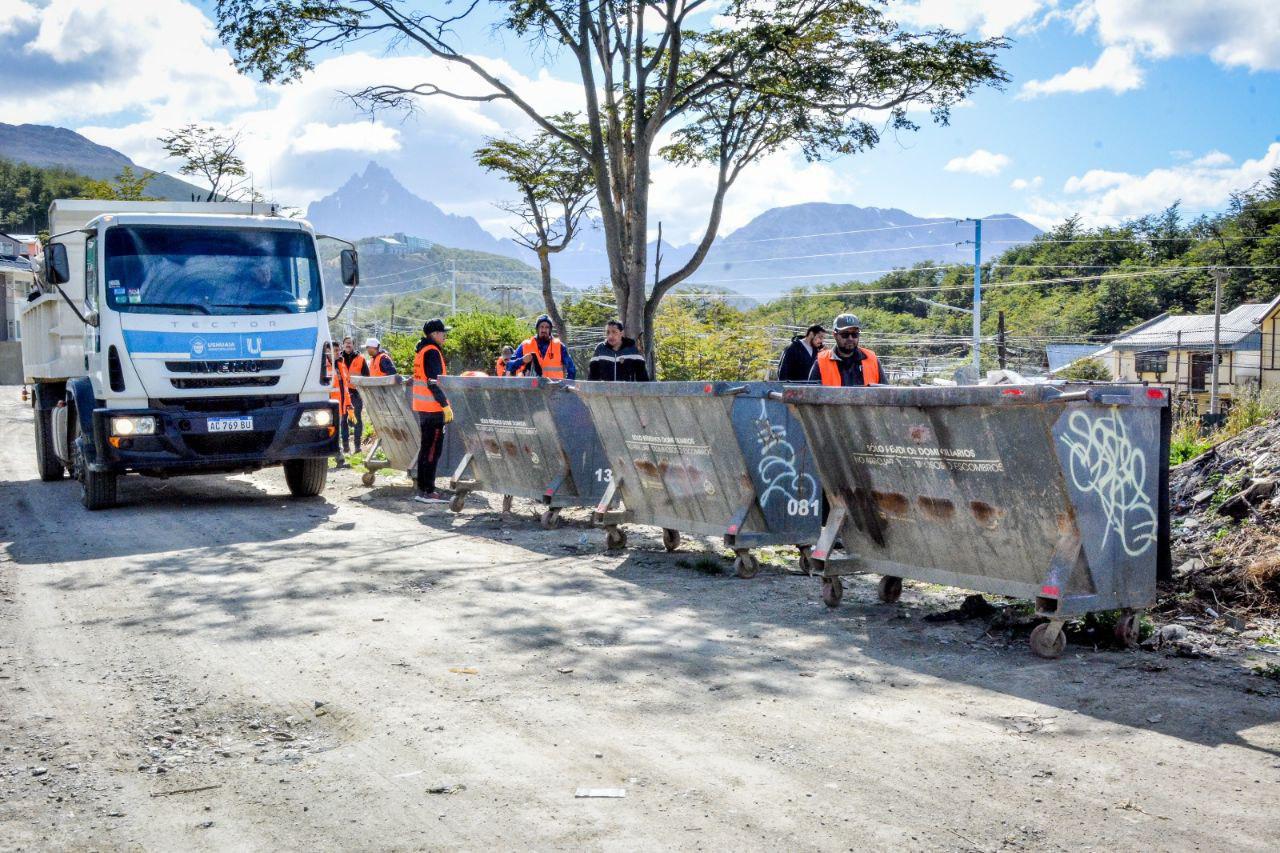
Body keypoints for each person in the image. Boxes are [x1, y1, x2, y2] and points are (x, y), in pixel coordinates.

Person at [412, 319, 454, 503]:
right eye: (442, 332)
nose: (445, 335)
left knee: (426, 448)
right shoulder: (432, 352)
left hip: (423, 408)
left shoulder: (422, 350)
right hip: (433, 408)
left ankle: (423, 488)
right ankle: (428, 491)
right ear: (434, 334)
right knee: (432, 451)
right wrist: (444, 404)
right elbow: (432, 382)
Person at [808, 314, 881, 386]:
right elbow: (811, 395)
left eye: (854, 334)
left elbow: (885, 393)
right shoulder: (821, 361)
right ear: (835, 335)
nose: (850, 338)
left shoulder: (872, 359)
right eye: (845, 334)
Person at [507, 315, 576, 380]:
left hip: (553, 390)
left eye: (547, 327)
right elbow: (509, 366)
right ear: (537, 329)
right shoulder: (525, 345)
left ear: (550, 330)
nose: (544, 330)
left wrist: (567, 386)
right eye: (541, 327)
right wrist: (522, 360)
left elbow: (572, 369)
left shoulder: (559, 346)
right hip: (530, 390)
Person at [335, 336, 364, 454]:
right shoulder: (337, 359)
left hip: (356, 394)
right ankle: (346, 447)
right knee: (343, 421)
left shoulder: (360, 358)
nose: (348, 345)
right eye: (346, 343)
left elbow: (366, 376)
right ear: (343, 345)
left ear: (353, 345)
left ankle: (357, 446)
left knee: (356, 419)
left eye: (350, 343)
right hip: (342, 395)